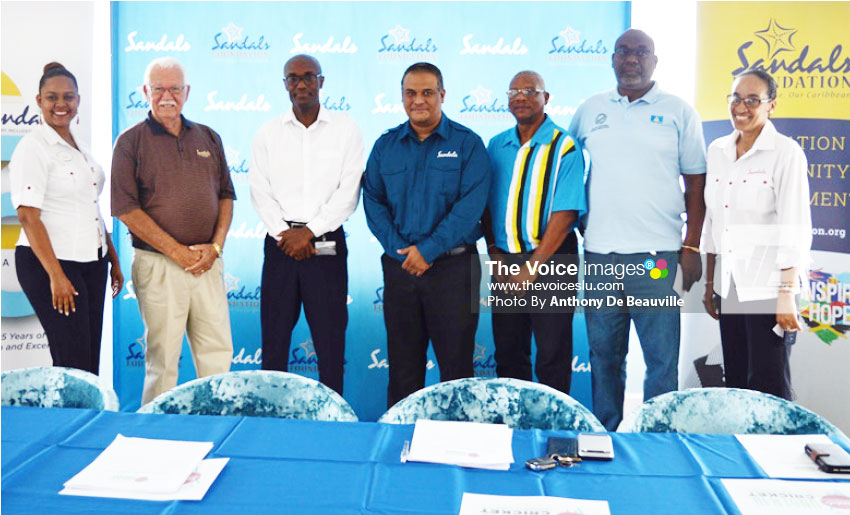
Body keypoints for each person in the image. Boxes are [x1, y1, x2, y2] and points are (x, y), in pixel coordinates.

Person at [568, 29, 707, 430]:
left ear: (655, 61)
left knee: (662, 361)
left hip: (657, 260)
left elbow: (696, 182)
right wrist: (578, 219)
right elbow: (566, 168)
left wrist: (691, 247)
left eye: (641, 52)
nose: (632, 59)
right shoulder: (590, 109)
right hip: (599, 256)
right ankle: (605, 436)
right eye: (624, 52)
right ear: (612, 59)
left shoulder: (679, 111)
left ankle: (656, 441)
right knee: (604, 358)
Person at [363, 62, 491, 408]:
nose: (418, 100)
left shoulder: (468, 145)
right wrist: (399, 249)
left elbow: (471, 207)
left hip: (454, 272)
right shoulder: (386, 145)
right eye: (410, 93)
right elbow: (373, 200)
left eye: (427, 93)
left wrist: (429, 250)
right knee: (403, 371)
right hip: (401, 269)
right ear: (402, 96)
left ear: (442, 95)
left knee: (456, 370)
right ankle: (400, 451)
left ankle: (457, 454)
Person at [111, 57, 235, 404]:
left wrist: (215, 248)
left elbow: (226, 196)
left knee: (218, 354)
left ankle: (215, 431)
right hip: (160, 265)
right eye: (159, 88)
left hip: (207, 263)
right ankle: (156, 440)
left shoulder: (209, 136)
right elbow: (126, 210)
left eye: (175, 88)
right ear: (145, 92)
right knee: (163, 361)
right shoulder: (129, 142)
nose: (168, 96)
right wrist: (178, 253)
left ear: (187, 92)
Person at [249, 55, 365, 395]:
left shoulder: (346, 129)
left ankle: (332, 420)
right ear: (285, 84)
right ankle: (270, 419)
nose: (301, 84)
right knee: (274, 340)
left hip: (326, 244)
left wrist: (309, 232)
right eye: (293, 78)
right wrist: (286, 235)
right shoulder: (268, 133)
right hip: (280, 244)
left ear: (321, 81)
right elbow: (259, 190)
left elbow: (349, 192)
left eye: (308, 77)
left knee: (330, 341)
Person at [702, 70, 811, 400]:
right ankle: (740, 450)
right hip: (731, 282)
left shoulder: (785, 152)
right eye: (736, 98)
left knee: (769, 384)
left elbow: (795, 227)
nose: (741, 106)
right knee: (736, 381)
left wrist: (786, 294)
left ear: (771, 105)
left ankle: (775, 451)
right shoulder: (718, 149)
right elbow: (713, 222)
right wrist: (710, 285)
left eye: (753, 100)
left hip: (769, 286)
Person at [9, 62, 123, 375]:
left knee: (89, 361)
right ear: (38, 101)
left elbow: (90, 207)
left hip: (92, 262)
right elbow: (28, 217)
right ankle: (67, 423)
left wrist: (111, 256)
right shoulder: (33, 147)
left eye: (68, 97)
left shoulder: (82, 149)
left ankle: (88, 423)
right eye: (52, 97)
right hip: (51, 263)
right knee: (71, 360)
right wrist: (56, 276)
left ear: (78, 101)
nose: (61, 104)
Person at [483, 71, 586, 395]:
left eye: (530, 90)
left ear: (546, 98)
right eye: (514, 91)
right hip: (506, 259)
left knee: (552, 355)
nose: (521, 97)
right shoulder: (497, 145)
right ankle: (514, 429)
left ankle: (552, 433)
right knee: (509, 352)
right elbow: (486, 204)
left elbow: (566, 212)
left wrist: (533, 267)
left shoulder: (565, 145)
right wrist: (494, 253)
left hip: (552, 262)